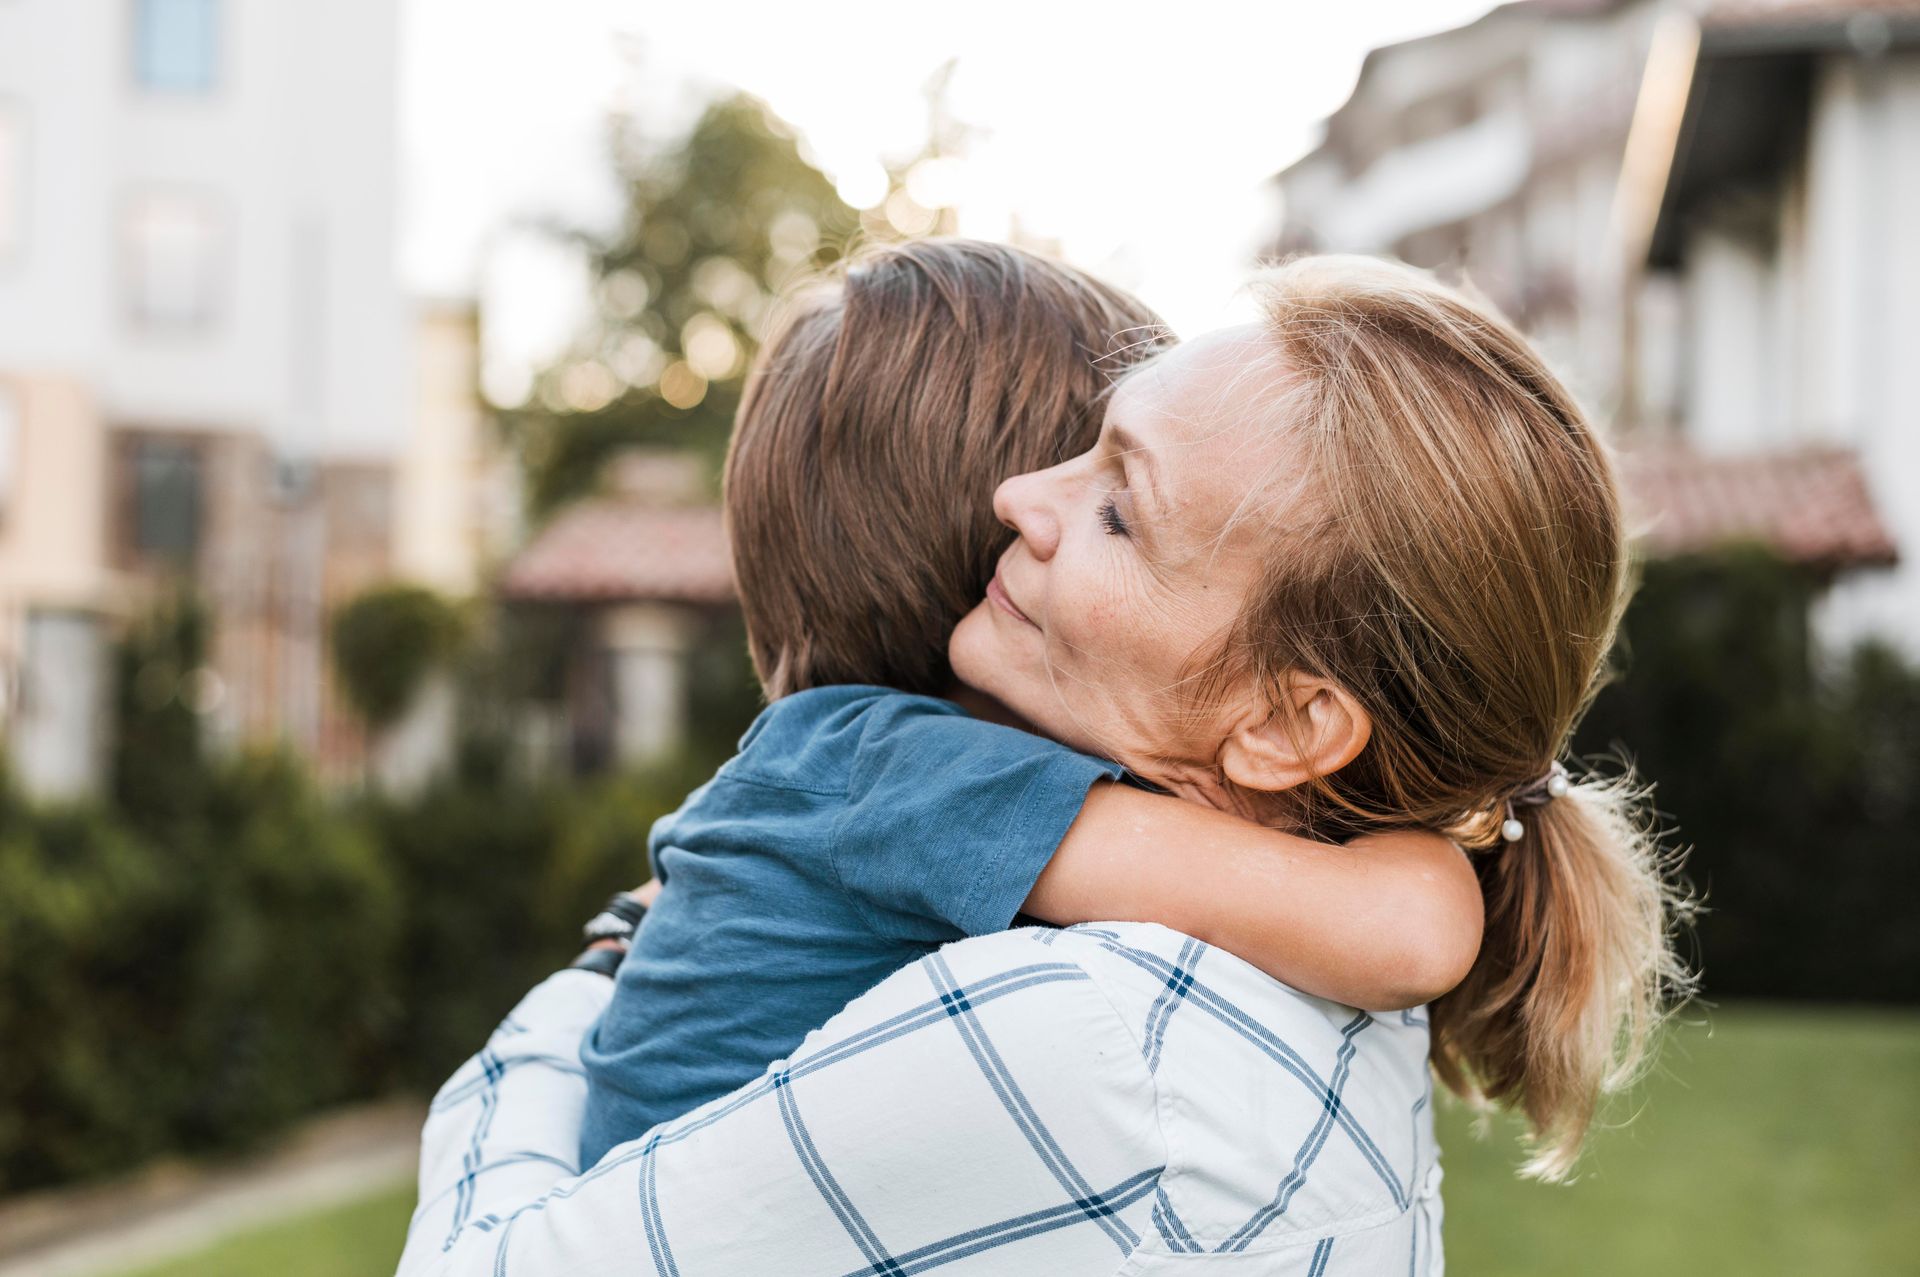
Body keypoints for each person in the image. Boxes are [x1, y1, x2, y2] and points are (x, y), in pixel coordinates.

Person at [398, 254, 1690, 1276]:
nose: (1022, 495)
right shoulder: (1272, 975)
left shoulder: (1095, 1026)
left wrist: (595, 965)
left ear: (1293, 725)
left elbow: (1410, 924)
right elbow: (1409, 910)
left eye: (1121, 506)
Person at [574, 240, 1478, 1166]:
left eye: (1118, 502)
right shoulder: (918, 776)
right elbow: (1404, 928)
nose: (1030, 503)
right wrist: (1470, 827)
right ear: (989, 552)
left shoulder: (840, 772)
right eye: (1106, 494)